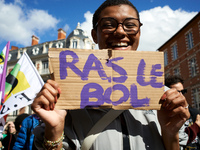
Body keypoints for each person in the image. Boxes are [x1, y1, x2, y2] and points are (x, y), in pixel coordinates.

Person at [31, 0, 190, 150]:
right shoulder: (66, 95)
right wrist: (54, 130)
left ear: (139, 32)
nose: (120, 31)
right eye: (108, 25)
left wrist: (171, 134)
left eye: (130, 25)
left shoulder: (163, 97)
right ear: (94, 35)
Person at [165, 75, 200, 150]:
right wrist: (196, 126)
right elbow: (177, 140)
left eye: (183, 92)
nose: (181, 95)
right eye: (177, 92)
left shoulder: (194, 112)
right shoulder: (165, 116)